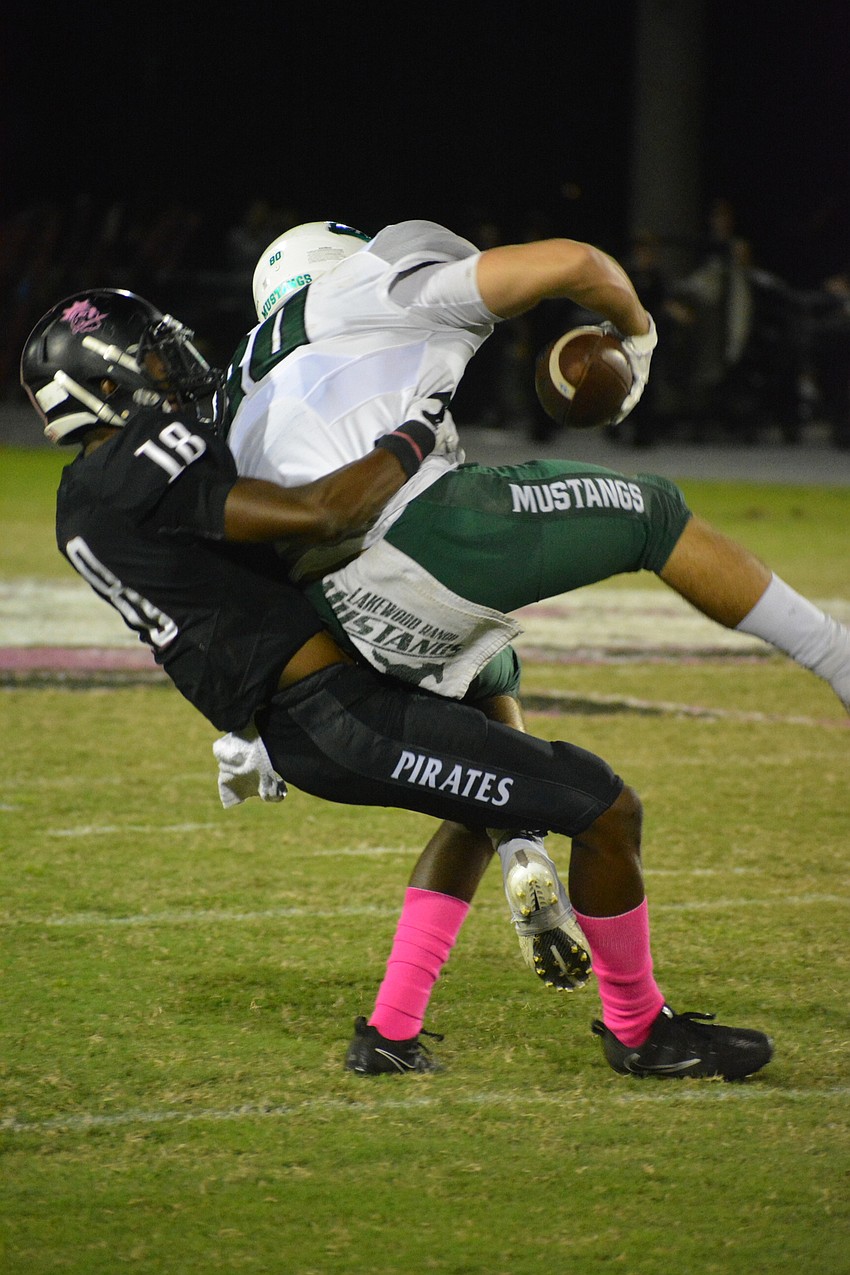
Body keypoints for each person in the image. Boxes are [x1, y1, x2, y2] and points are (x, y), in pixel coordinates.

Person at [20, 286, 775, 1082]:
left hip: (316, 712)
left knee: (479, 804)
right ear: (103, 385)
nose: (171, 366)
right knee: (605, 807)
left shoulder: (83, 499)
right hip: (339, 716)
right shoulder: (132, 464)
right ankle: (641, 1031)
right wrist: (416, 425)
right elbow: (324, 510)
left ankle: (389, 1033)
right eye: (150, 358)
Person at [220, 217, 850, 1027]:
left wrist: (249, 723)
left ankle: (443, 953)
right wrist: (637, 336)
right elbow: (576, 262)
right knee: (652, 513)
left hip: (329, 619)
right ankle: (837, 657)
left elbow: (222, 554)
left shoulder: (236, 387)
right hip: (404, 542)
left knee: (483, 708)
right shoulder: (371, 285)